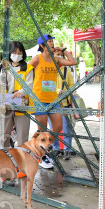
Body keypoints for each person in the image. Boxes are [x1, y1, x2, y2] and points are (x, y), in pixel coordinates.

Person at [29, 35, 76, 169]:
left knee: (58, 127)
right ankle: (41, 156)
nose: (52, 43)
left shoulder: (56, 59)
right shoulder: (37, 59)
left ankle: (44, 149)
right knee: (42, 130)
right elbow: (24, 71)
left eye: (52, 41)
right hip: (39, 99)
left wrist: (64, 50)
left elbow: (73, 62)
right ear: (42, 45)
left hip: (53, 99)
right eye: (49, 41)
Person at [0, 41, 34, 148]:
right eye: (14, 52)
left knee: (22, 139)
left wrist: (20, 93)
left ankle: (21, 157)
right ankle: (4, 156)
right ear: (9, 53)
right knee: (4, 137)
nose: (17, 55)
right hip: (6, 106)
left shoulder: (28, 68)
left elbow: (29, 86)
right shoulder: (4, 68)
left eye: (19, 52)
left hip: (22, 107)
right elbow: (0, 88)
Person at [51, 48, 76, 159]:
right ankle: (56, 148)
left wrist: (68, 93)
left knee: (67, 128)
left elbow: (72, 85)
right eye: (56, 54)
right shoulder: (49, 69)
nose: (58, 57)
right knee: (53, 128)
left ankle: (67, 149)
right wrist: (58, 91)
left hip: (65, 103)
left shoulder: (66, 70)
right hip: (52, 103)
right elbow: (45, 85)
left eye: (60, 55)